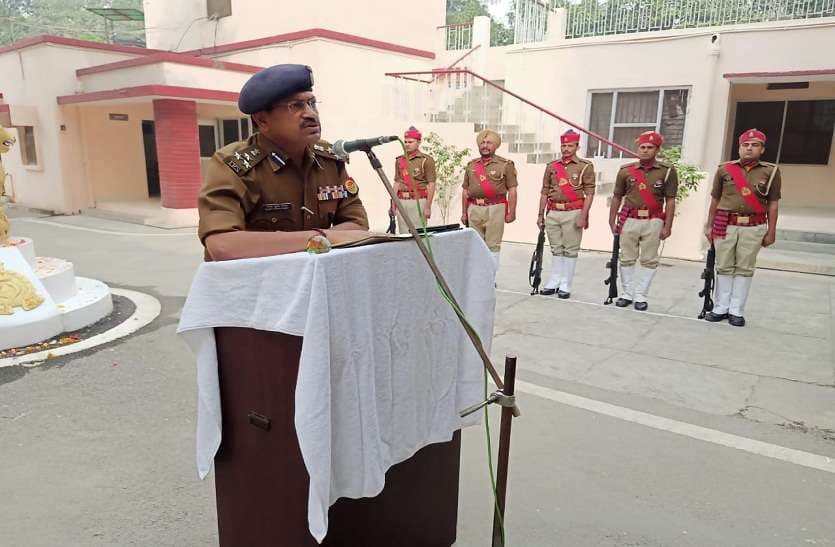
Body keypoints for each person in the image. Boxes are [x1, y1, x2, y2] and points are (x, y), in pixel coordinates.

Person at [198, 64, 369, 261]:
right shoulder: (233, 165)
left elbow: (357, 225)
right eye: (295, 106)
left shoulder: (330, 158)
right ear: (262, 120)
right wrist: (320, 237)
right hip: (256, 284)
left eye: (312, 103)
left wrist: (318, 239)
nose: (311, 114)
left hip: (316, 280)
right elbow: (222, 245)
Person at [703, 128, 781, 327]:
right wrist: (709, 225)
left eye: (755, 145)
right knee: (723, 266)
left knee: (744, 268)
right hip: (725, 224)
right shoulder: (724, 169)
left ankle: (736, 310)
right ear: (739, 147)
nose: (749, 148)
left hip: (753, 226)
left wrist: (771, 231)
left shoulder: (771, 172)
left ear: (762, 149)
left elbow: (773, 203)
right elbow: (715, 199)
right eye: (745, 145)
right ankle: (720, 307)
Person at [609, 131, 678, 311]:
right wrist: (612, 219)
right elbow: (617, 196)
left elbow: (670, 200)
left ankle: (641, 295)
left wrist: (667, 226)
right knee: (627, 258)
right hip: (629, 219)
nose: (645, 150)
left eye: (650, 147)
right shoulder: (626, 170)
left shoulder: (667, 171)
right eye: (642, 147)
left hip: (653, 219)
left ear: (657, 150)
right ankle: (627, 293)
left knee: (649, 259)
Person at [537, 129, 595, 298]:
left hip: (573, 211)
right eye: (563, 145)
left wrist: (583, 215)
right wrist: (540, 215)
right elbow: (544, 192)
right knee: (556, 248)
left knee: (570, 249)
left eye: (570, 145)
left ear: (577, 146)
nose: (566, 149)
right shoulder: (552, 166)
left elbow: (589, 193)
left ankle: (565, 284)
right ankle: (554, 281)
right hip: (553, 211)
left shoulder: (585, 166)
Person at [461, 129, 518, 272]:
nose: (485, 145)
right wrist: (464, 213)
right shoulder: (472, 165)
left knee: (493, 245)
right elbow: (465, 191)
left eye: (489, 143)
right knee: (475, 244)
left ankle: (490, 276)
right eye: (482, 142)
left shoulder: (505, 165)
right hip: (474, 207)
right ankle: (478, 275)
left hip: (495, 207)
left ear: (496, 145)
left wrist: (512, 212)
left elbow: (512, 190)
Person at [393, 126, 436, 233]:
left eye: (410, 142)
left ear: (418, 142)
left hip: (418, 201)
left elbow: (431, 184)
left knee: (419, 235)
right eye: (405, 142)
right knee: (403, 235)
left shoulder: (426, 160)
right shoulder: (399, 160)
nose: (407, 144)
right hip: (402, 201)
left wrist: (428, 207)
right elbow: (397, 183)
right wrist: (393, 203)